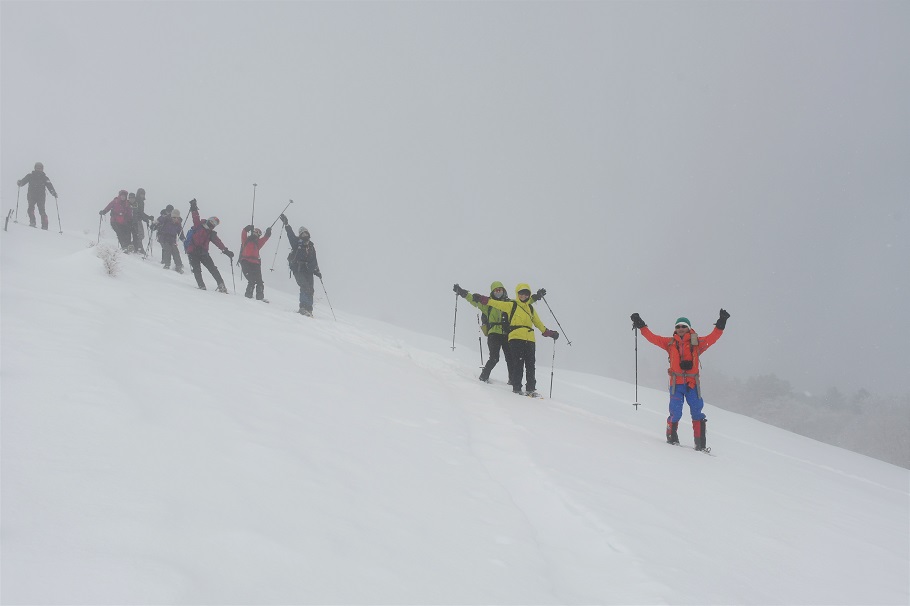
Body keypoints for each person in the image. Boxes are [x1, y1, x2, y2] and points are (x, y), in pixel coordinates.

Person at [630, 309, 730, 451]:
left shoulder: (697, 342)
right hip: (676, 384)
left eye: (684, 326)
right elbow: (653, 338)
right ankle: (671, 439)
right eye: (678, 326)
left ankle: (700, 444)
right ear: (675, 329)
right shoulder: (669, 343)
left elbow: (713, 337)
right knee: (675, 412)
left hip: (692, 384)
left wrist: (721, 322)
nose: (681, 329)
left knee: (697, 412)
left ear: (688, 328)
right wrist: (641, 325)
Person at [466, 283, 558, 397]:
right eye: (521, 293)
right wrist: (477, 297)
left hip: (526, 338)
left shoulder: (528, 307)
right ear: (517, 294)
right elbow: (494, 303)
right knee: (509, 361)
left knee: (528, 364)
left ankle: (530, 388)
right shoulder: (510, 304)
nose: (523, 296)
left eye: (526, 293)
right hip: (509, 336)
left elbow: (537, 321)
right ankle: (513, 386)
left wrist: (549, 333)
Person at [453, 281, 516, 385]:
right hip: (494, 334)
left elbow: (523, 304)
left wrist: (535, 298)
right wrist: (462, 292)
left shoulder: (509, 303)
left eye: (500, 290)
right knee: (494, 358)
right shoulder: (487, 304)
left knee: (510, 358)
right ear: (492, 292)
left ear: (504, 291)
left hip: (506, 334)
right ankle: (483, 377)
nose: (498, 292)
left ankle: (512, 380)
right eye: (496, 290)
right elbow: (473, 300)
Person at [184, 198, 233, 292]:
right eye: (212, 221)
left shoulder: (211, 233)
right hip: (195, 251)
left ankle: (219, 285)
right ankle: (203, 285)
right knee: (200, 269)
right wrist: (194, 208)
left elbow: (219, 243)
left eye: (215, 223)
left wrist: (226, 250)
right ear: (209, 220)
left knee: (210, 269)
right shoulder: (199, 224)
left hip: (201, 252)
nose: (212, 223)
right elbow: (195, 217)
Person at [280, 213, 321, 316]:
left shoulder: (311, 246)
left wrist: (317, 270)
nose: (304, 235)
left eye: (305, 233)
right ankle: (303, 307)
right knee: (304, 287)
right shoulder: (296, 243)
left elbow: (314, 259)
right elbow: (290, 235)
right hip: (298, 269)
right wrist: (287, 225)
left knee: (311, 289)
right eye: (302, 234)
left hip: (309, 270)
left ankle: (309, 309)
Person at [17, 162, 57, 229]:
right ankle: (38, 223)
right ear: (35, 168)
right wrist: (20, 183)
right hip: (35, 195)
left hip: (36, 195)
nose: (39, 169)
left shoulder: (35, 176)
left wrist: (53, 193)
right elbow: (23, 182)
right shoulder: (37, 177)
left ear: (42, 169)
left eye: (40, 168)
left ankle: (38, 223)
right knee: (33, 208)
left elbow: (50, 186)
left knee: (37, 209)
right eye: (37, 167)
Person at [239, 224, 272, 302]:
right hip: (245, 261)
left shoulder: (258, 242)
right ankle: (248, 296)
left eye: (258, 233)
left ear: (259, 235)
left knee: (259, 281)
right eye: (255, 231)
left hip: (255, 263)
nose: (256, 233)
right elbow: (243, 232)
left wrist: (268, 233)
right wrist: (247, 228)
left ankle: (260, 297)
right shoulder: (245, 240)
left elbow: (265, 238)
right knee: (251, 280)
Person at [156, 207, 185, 273]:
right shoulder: (166, 219)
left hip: (172, 239)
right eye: (173, 217)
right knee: (167, 250)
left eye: (176, 217)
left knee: (175, 251)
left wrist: (183, 239)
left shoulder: (178, 223)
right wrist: (154, 224)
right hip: (165, 237)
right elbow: (159, 220)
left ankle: (178, 266)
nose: (174, 219)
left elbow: (180, 232)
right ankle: (167, 264)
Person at [130, 188, 154, 255]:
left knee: (139, 235)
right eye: (141, 194)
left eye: (143, 194)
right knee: (140, 235)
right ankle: (139, 248)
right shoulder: (139, 201)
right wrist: (147, 218)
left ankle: (133, 247)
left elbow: (140, 212)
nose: (142, 195)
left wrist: (146, 218)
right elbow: (140, 212)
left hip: (136, 219)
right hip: (137, 220)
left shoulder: (138, 201)